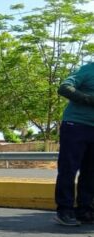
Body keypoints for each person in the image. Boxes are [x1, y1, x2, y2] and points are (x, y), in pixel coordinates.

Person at [54, 61, 94, 226]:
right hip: (75, 125)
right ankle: (64, 210)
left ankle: (85, 210)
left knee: (91, 172)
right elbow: (64, 87)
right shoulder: (87, 70)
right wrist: (87, 99)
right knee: (68, 169)